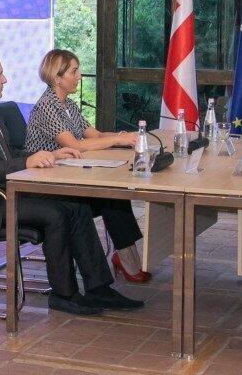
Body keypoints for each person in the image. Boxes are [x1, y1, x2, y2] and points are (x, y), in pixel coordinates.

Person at [0, 50, 144, 316]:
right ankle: (63, 295)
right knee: (56, 213)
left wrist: (50, 154)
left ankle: (99, 288)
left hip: (5, 189)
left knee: (75, 204)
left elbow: (8, 153)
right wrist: (27, 162)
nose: (5, 79)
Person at [24, 49, 151, 283]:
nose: (79, 76)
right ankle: (126, 261)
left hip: (68, 177)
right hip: (46, 185)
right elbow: (74, 145)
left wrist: (125, 137)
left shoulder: (68, 105)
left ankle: (126, 258)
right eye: (74, 71)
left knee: (115, 194)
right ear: (57, 77)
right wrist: (116, 140)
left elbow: (96, 135)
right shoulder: (46, 107)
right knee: (110, 197)